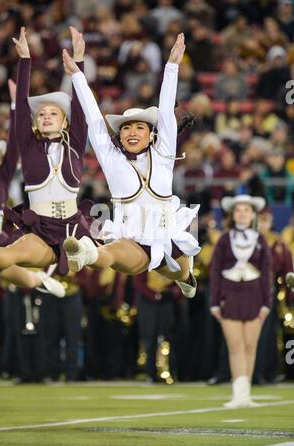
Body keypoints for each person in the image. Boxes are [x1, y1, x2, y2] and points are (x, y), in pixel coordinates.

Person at [61, 33, 200, 298]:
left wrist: (171, 67)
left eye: (139, 127)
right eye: (126, 128)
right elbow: (93, 118)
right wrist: (77, 75)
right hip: (132, 238)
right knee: (111, 254)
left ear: (151, 134)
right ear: (120, 135)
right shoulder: (111, 158)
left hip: (167, 237)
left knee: (181, 271)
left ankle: (186, 278)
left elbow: (167, 111)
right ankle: (85, 252)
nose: (132, 132)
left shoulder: (163, 153)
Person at [0, 26, 91, 280]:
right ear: (35, 122)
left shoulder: (76, 144)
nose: (47, 117)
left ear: (65, 122)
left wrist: (78, 63)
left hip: (73, 227)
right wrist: (25, 60)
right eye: (42, 114)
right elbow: (22, 110)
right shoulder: (27, 145)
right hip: (40, 228)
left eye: (54, 113)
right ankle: (36, 280)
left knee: (97, 254)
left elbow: (81, 110)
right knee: (8, 254)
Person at [0, 77, 64, 297]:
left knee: (7, 269)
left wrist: (17, 106)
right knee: (6, 272)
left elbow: (15, 143)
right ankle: (38, 279)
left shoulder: (1, 176)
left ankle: (36, 279)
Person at [210, 195, 272, 408]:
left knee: (250, 346)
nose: (242, 213)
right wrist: (214, 303)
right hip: (230, 294)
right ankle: (238, 394)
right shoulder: (224, 239)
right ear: (232, 215)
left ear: (253, 214)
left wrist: (267, 303)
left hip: (254, 294)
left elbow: (266, 273)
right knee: (235, 345)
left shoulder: (261, 240)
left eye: (247, 210)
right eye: (238, 210)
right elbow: (215, 271)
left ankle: (246, 395)